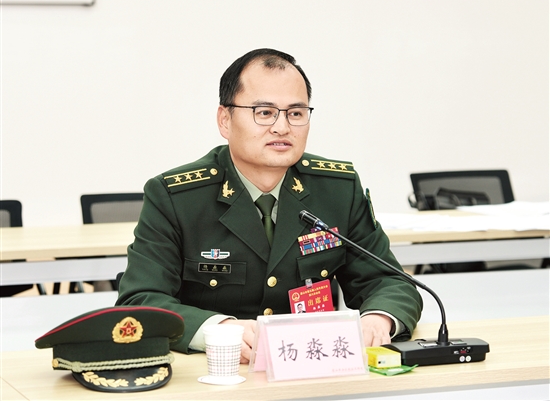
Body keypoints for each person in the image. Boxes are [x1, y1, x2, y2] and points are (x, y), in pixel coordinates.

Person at [116, 48, 423, 364]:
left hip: (313, 368)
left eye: (296, 113)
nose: (282, 127)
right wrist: (218, 330)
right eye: (264, 112)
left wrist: (378, 319)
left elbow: (388, 281)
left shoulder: (337, 189)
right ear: (225, 120)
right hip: (219, 371)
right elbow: (140, 300)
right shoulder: (176, 197)